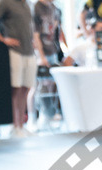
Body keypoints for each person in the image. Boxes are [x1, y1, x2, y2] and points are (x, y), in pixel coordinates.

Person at [0, 0, 37, 137]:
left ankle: (21, 125)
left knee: (26, 88)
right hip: (15, 51)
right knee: (16, 88)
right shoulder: (5, 2)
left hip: (29, 51)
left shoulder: (27, 4)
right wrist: (2, 39)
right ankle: (14, 126)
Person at [30, 0, 66, 130]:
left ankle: (48, 115)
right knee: (37, 85)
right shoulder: (36, 8)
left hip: (52, 50)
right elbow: (35, 34)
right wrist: (41, 55)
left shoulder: (55, 9)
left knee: (50, 84)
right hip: (39, 52)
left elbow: (58, 31)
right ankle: (32, 118)